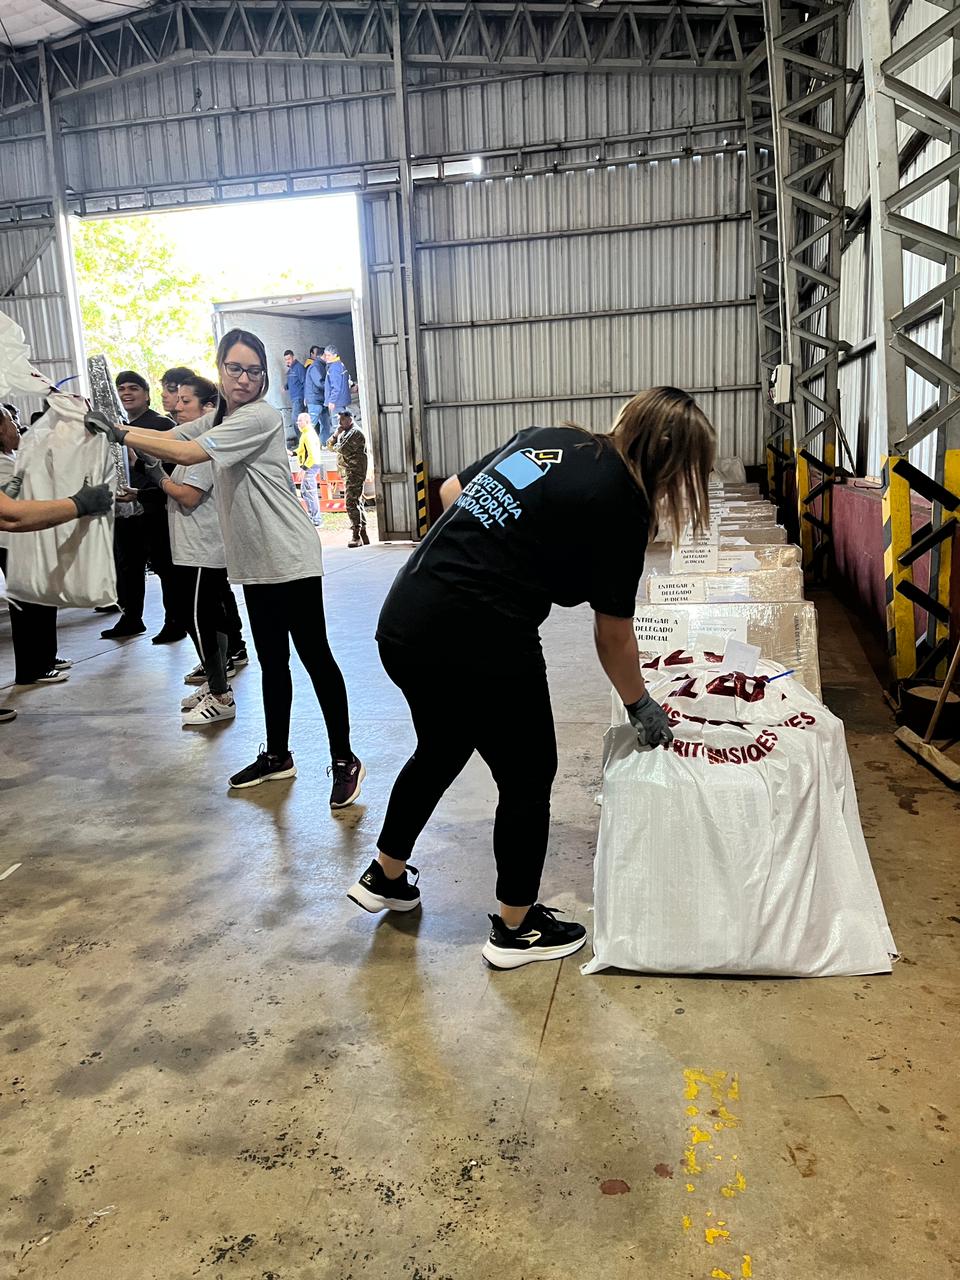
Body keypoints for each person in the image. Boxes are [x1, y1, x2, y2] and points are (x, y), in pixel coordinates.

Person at [345, 387, 716, 970]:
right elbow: (613, 635)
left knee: (441, 747)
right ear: (671, 457)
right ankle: (515, 929)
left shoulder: (550, 441)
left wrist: (504, 554)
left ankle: (386, 875)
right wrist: (641, 704)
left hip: (406, 617)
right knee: (528, 774)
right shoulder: (625, 503)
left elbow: (451, 493)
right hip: (482, 635)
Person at [87, 329, 364, 804]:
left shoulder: (258, 418)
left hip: (290, 556)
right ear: (221, 369)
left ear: (263, 378)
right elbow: (170, 437)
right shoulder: (218, 417)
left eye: (254, 371)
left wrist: (119, 430)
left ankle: (344, 757)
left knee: (315, 657)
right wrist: (105, 428)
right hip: (254, 561)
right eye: (235, 368)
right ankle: (278, 756)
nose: (244, 378)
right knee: (274, 662)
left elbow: (190, 454)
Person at [0, 404, 112, 719]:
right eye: (10, 421)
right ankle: (30, 668)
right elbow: (14, 513)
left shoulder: (11, 458)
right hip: (14, 542)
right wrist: (79, 502)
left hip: (28, 538)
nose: (16, 427)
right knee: (27, 604)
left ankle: (43, 660)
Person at [171, 376, 247, 680]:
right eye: (176, 400)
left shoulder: (204, 448)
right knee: (205, 611)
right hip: (193, 547)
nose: (177, 407)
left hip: (204, 546)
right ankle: (219, 672)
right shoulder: (190, 444)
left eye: (185, 401)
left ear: (210, 407)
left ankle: (219, 681)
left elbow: (189, 495)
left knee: (203, 615)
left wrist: (156, 478)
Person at [101, 371, 185, 644]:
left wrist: (144, 494)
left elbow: (169, 470)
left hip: (154, 507)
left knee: (164, 567)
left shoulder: (159, 425)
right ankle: (131, 617)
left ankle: (174, 621)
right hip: (127, 509)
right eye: (121, 388)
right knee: (129, 567)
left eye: (133, 388)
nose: (126, 392)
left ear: (146, 394)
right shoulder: (119, 428)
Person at [330, 411, 368, 547]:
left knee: (351, 503)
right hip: (349, 472)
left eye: (342, 420)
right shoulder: (345, 432)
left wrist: (336, 442)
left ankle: (356, 535)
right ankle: (363, 534)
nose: (340, 423)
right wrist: (336, 435)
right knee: (357, 502)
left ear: (350, 419)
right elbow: (330, 445)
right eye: (339, 420)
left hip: (355, 472)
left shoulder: (355, 433)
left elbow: (342, 449)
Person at [295, 412, 324, 528]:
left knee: (309, 493)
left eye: (300, 421)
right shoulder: (307, 434)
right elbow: (303, 450)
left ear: (306, 421)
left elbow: (311, 455)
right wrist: (293, 453)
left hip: (310, 466)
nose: (298, 423)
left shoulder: (308, 435)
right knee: (305, 492)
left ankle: (316, 519)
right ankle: (313, 516)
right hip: (311, 465)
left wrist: (304, 469)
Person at [304, 346, 331, 444]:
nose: (329, 358)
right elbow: (319, 383)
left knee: (326, 424)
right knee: (311, 424)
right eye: (328, 355)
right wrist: (331, 387)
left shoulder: (321, 365)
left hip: (321, 400)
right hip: (315, 400)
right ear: (323, 355)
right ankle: (306, 446)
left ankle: (324, 444)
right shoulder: (316, 366)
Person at [322, 345, 351, 427]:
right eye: (325, 355)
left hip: (337, 402)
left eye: (329, 355)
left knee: (338, 427)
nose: (326, 357)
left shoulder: (334, 368)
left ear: (335, 355)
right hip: (341, 401)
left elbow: (336, 387)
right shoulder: (339, 364)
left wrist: (332, 401)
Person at [283, 350, 306, 448]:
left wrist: (306, 398)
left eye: (288, 359)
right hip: (294, 399)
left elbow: (305, 382)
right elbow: (292, 381)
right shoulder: (291, 369)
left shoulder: (298, 368)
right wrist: (285, 386)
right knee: (297, 420)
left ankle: (302, 443)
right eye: (285, 360)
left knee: (295, 420)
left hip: (299, 398)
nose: (287, 361)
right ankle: (303, 443)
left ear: (293, 357)